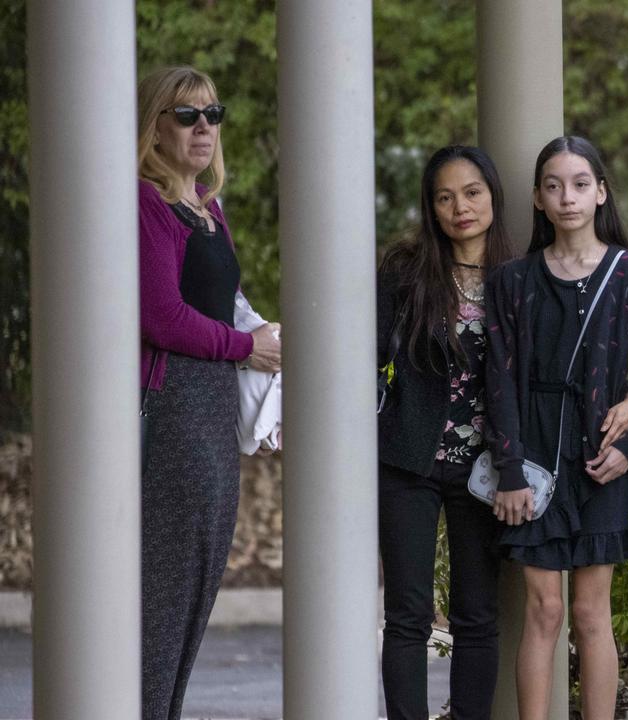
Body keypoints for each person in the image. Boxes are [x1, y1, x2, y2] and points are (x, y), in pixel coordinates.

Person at [375, 145, 628, 719]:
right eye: (444, 197)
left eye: (472, 193)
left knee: (477, 615)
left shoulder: (522, 275)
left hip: (491, 470)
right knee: (408, 615)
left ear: (495, 197)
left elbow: (576, 358)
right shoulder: (405, 270)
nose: (460, 207)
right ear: (431, 207)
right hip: (408, 460)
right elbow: (368, 359)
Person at [485, 136, 628, 720]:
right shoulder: (512, 282)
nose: (567, 197)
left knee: (594, 613)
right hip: (535, 458)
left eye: (579, 184)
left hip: (602, 459)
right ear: (539, 200)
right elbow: (499, 380)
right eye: (553, 186)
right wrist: (510, 469)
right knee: (543, 611)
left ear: (601, 193)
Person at [137, 65, 282, 720]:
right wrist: (246, 347)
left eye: (212, 114)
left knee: (196, 581)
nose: (203, 128)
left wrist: (258, 335)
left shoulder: (206, 207)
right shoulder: (145, 202)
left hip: (212, 408)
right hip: (173, 409)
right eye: (186, 114)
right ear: (155, 125)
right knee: (163, 589)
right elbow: (161, 316)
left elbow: (222, 305)